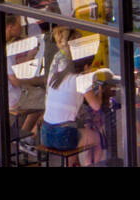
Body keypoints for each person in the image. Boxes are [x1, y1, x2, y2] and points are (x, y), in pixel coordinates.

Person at [38, 25, 103, 165]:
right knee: (97, 139)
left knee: (77, 143)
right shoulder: (81, 78)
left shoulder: (58, 64)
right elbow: (96, 106)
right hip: (63, 135)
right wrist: (101, 92)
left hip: (45, 132)